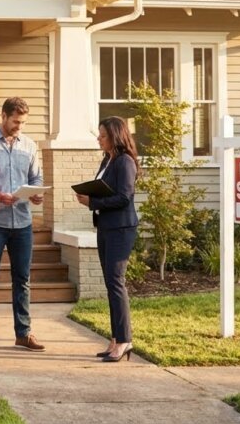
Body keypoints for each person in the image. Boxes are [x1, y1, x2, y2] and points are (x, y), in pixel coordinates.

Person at [0, 97, 46, 354]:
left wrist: (37, 193)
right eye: (16, 121)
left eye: (23, 122)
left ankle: (23, 334)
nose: (19, 126)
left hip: (23, 223)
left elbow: (36, 176)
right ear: (3, 116)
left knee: (23, 279)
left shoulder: (29, 145)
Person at [76, 116, 140, 362]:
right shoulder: (108, 159)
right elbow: (105, 187)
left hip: (121, 228)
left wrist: (93, 202)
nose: (98, 139)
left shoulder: (125, 162)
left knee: (116, 283)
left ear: (115, 136)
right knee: (110, 284)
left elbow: (124, 197)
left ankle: (125, 340)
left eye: (102, 135)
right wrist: (89, 194)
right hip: (105, 225)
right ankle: (115, 339)